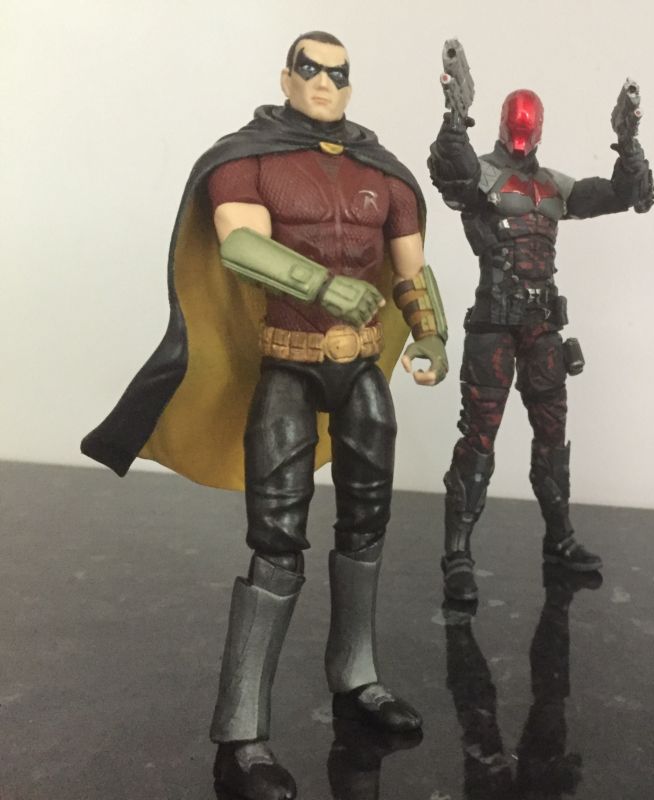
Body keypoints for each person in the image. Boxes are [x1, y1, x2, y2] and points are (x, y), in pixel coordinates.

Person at [82, 31, 447, 800]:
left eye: (338, 73)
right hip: (288, 363)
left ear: (350, 85)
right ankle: (242, 731)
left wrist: (431, 333)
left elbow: (411, 268)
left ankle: (357, 676)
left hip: (360, 372)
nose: (324, 82)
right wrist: (322, 286)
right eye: (310, 69)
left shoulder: (384, 171)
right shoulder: (247, 158)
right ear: (287, 76)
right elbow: (242, 247)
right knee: (276, 539)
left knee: (368, 523)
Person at [427, 87, 654, 601]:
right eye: (516, 126)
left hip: (542, 325)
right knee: (479, 437)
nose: (521, 136)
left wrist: (629, 143)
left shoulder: (554, 185)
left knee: (553, 435)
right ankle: (458, 553)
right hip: (493, 324)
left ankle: (560, 539)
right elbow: (451, 171)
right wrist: (455, 119)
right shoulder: (482, 175)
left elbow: (621, 194)